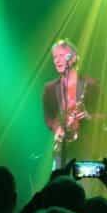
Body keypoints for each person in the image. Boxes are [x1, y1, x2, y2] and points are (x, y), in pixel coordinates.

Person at [42, 39, 100, 168]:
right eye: (55, 57)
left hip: (85, 149)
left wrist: (88, 116)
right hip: (61, 149)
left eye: (61, 56)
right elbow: (48, 117)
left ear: (74, 58)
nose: (57, 60)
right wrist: (57, 128)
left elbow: (105, 115)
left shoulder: (91, 85)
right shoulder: (49, 88)